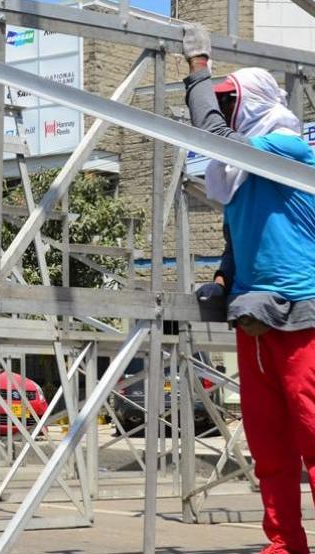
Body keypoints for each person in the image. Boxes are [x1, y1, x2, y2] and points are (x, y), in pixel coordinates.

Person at [184, 24, 315, 554]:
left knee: (313, 433)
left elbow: (214, 136)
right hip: (257, 319)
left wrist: (197, 68)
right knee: (270, 445)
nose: (227, 112)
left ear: (254, 102)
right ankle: (284, 542)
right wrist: (222, 278)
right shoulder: (238, 175)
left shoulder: (286, 147)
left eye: (231, 102)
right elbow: (241, 239)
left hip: (304, 315)